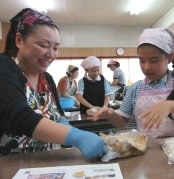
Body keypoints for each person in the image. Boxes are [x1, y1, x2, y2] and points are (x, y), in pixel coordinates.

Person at [0, 8, 106, 160]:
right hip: (10, 166)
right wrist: (76, 136)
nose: (51, 54)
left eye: (55, 48)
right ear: (19, 40)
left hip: (46, 162)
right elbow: (18, 116)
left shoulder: (47, 78)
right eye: (43, 45)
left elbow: (58, 114)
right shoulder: (5, 67)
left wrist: (64, 124)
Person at [91, 28, 174, 138]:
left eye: (154, 61)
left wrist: (171, 105)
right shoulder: (135, 88)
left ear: (169, 57)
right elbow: (123, 122)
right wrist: (111, 114)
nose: (147, 67)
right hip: (149, 152)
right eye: (142, 61)